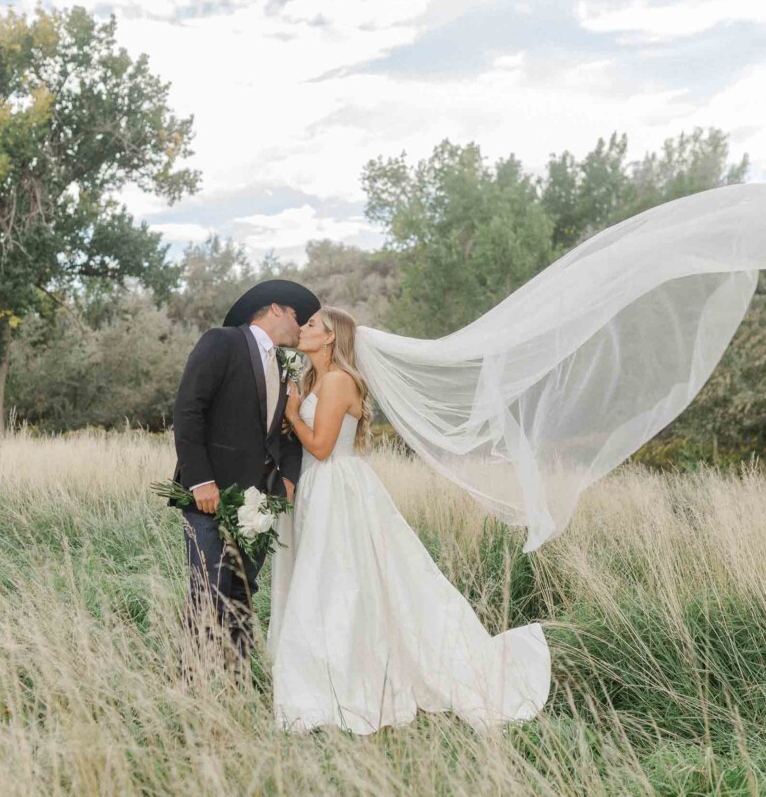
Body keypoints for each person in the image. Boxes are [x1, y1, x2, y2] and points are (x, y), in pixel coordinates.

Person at [268, 306, 551, 734]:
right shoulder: (314, 379)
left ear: (330, 337)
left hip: (335, 487)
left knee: (337, 579)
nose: (302, 329)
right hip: (320, 487)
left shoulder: (338, 381)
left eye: (311, 325)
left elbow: (322, 447)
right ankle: (335, 667)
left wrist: (292, 415)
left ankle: (339, 677)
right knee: (337, 578)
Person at [171, 280, 320, 672]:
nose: (300, 325)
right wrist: (200, 480)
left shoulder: (288, 365)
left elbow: (285, 434)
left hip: (260, 504)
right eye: (296, 316)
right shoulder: (222, 342)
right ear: (273, 309)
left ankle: (234, 683)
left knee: (243, 593)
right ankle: (194, 683)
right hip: (210, 496)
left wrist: (286, 481)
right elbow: (189, 410)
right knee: (208, 589)